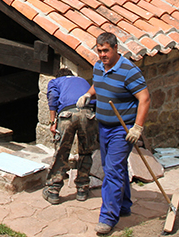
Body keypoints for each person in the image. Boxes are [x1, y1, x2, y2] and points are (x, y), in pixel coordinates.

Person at [76, 32, 150, 235]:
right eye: (99, 51)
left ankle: (107, 218)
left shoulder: (129, 71)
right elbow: (99, 84)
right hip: (104, 126)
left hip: (122, 129)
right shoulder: (98, 66)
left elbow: (144, 98)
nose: (102, 55)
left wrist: (138, 127)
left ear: (116, 48)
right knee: (115, 168)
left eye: (106, 50)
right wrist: (88, 94)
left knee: (112, 171)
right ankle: (124, 206)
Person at [43, 67, 98, 204]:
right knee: (86, 152)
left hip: (67, 114)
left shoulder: (55, 82)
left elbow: (53, 98)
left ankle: (53, 191)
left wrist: (52, 121)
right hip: (88, 113)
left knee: (62, 152)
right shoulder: (83, 81)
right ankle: (82, 189)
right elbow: (94, 99)